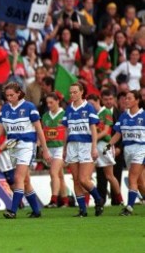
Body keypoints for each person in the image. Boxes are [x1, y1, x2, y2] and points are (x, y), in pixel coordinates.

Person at [0, 82, 52, 219]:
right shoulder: (5, 109)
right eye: (7, 95)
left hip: (27, 145)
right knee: (26, 181)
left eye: (12, 95)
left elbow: (39, 130)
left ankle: (13, 210)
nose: (9, 97)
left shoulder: (29, 107)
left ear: (18, 93)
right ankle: (36, 210)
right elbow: (0, 130)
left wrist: (44, 149)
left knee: (18, 178)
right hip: (12, 146)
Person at [62, 82, 105, 217]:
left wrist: (94, 147)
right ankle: (82, 210)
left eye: (75, 92)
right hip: (72, 146)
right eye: (71, 92)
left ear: (81, 92)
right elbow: (66, 131)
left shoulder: (89, 107)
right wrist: (64, 148)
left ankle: (98, 199)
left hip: (86, 145)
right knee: (75, 179)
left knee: (83, 179)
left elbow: (93, 129)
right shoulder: (68, 109)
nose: (73, 94)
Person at [107, 90, 145, 216]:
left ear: (137, 100)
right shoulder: (123, 116)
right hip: (128, 150)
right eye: (125, 98)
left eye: (129, 98)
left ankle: (129, 207)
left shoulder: (143, 116)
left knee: (132, 178)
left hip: (141, 149)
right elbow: (118, 134)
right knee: (140, 183)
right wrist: (109, 145)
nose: (126, 100)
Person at [88, 94, 123, 206]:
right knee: (86, 176)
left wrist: (93, 139)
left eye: (92, 104)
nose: (90, 106)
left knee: (109, 175)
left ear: (98, 101)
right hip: (93, 146)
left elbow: (106, 131)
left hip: (104, 145)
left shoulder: (106, 112)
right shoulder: (91, 114)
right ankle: (88, 202)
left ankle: (119, 199)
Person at [41, 93, 69, 208]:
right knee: (59, 175)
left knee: (53, 173)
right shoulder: (45, 116)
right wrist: (43, 148)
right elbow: (43, 133)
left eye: (51, 102)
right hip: (50, 148)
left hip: (60, 148)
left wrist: (66, 148)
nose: (49, 105)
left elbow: (68, 132)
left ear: (58, 101)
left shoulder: (64, 115)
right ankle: (65, 201)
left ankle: (53, 200)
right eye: (47, 103)